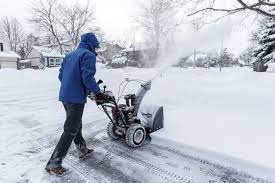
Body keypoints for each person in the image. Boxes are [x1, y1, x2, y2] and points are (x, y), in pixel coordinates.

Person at [45, 33, 107, 175]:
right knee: (70, 129)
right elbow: (87, 77)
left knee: (75, 124)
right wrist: (98, 93)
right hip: (75, 98)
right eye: (95, 47)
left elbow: (61, 75)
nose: (96, 50)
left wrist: (72, 86)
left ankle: (82, 149)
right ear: (92, 44)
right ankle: (53, 164)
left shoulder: (70, 55)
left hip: (65, 96)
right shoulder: (88, 56)